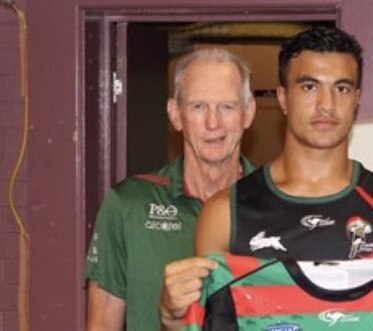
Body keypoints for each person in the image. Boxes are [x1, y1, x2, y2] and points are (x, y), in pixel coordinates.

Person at [160, 25, 373, 330]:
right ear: (283, 98)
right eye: (309, 86)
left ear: (357, 99)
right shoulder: (224, 213)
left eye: (341, 88)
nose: (326, 105)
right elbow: (206, 323)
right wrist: (173, 318)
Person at [84, 48, 257, 330]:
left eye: (227, 106)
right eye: (198, 107)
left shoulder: (278, 204)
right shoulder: (128, 205)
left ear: (248, 114)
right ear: (176, 115)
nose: (213, 123)